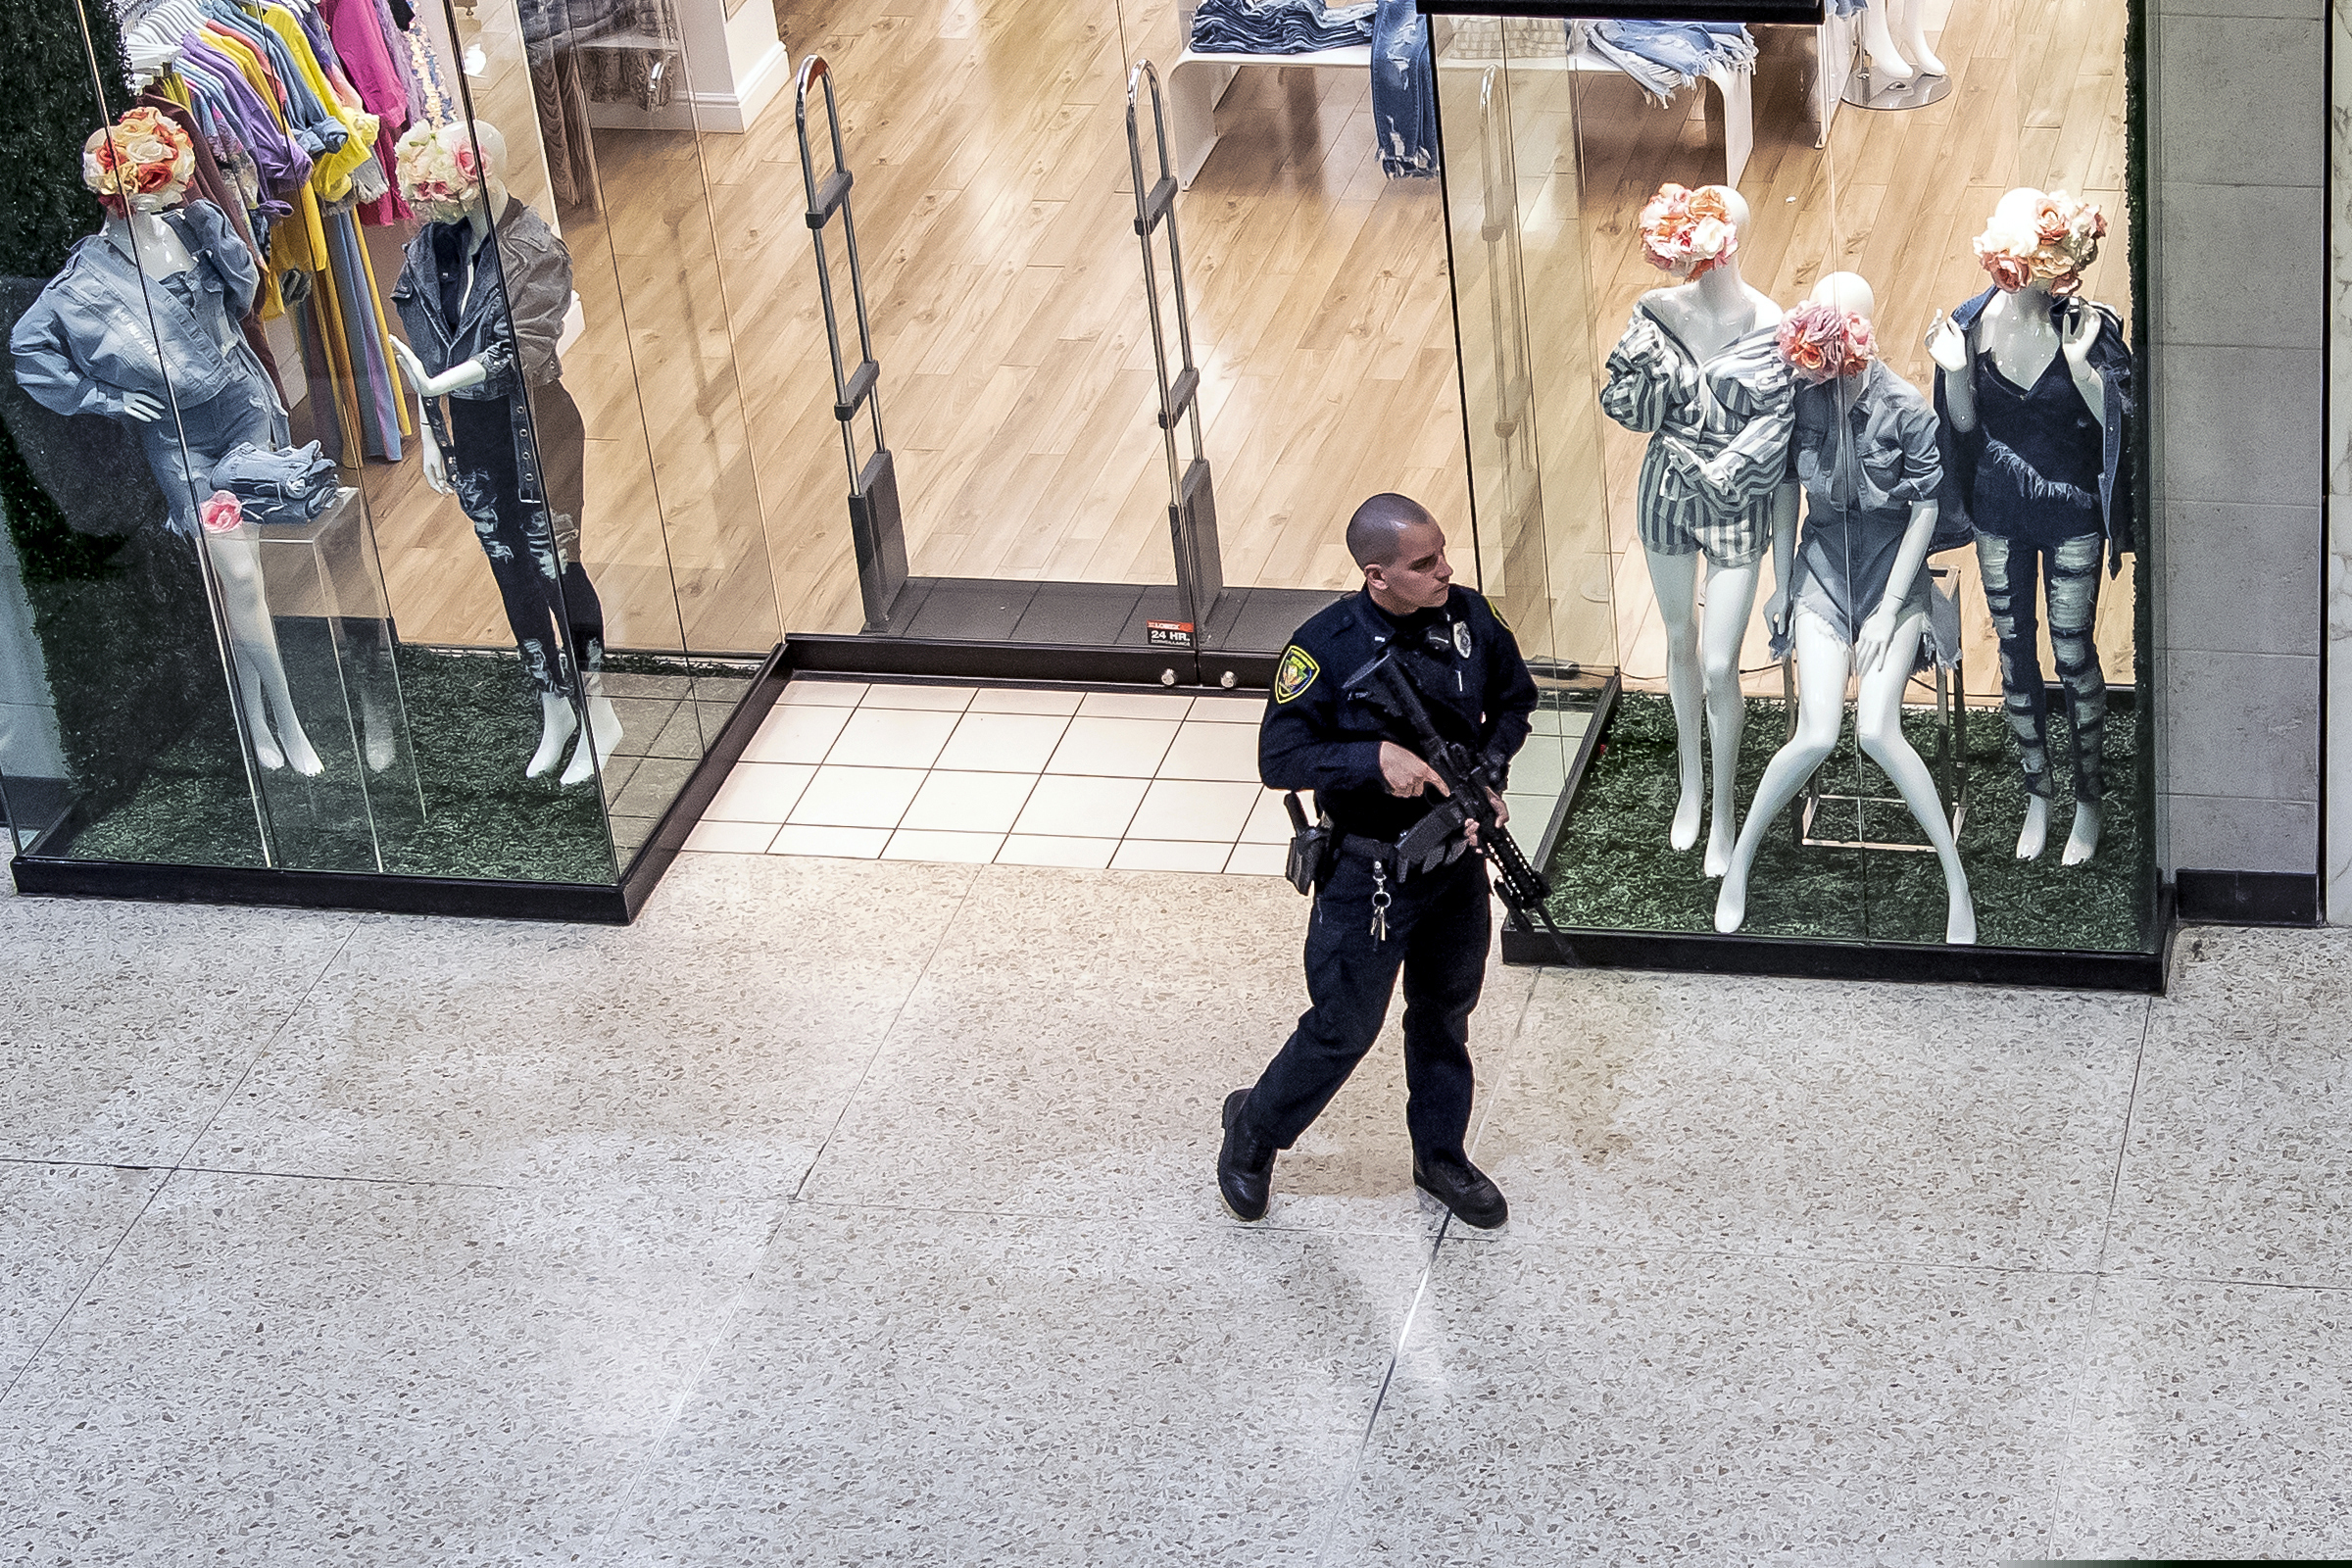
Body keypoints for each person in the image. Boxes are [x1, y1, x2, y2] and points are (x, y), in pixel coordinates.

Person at [1216, 493, 1538, 1228]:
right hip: (1370, 874)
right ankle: (1255, 1132)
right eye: (1424, 565)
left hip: (1453, 866)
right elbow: (1279, 755)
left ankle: (1440, 1156)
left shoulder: (1468, 619)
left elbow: (1515, 702)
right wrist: (1372, 757)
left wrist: (1486, 775)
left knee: (1444, 1014)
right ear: (1376, 574)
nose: (1445, 572)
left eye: (1443, 554)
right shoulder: (1324, 648)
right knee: (1343, 1026)